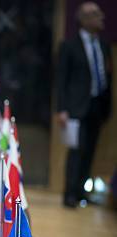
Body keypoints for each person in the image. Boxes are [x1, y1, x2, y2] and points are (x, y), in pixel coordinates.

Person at [57, 1, 112, 208]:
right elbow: (61, 79)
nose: (101, 18)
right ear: (84, 19)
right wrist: (61, 109)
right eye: (96, 14)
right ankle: (69, 193)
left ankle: (82, 191)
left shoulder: (104, 45)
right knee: (76, 151)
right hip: (76, 107)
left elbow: (108, 77)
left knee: (90, 151)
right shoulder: (69, 45)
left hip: (97, 105)